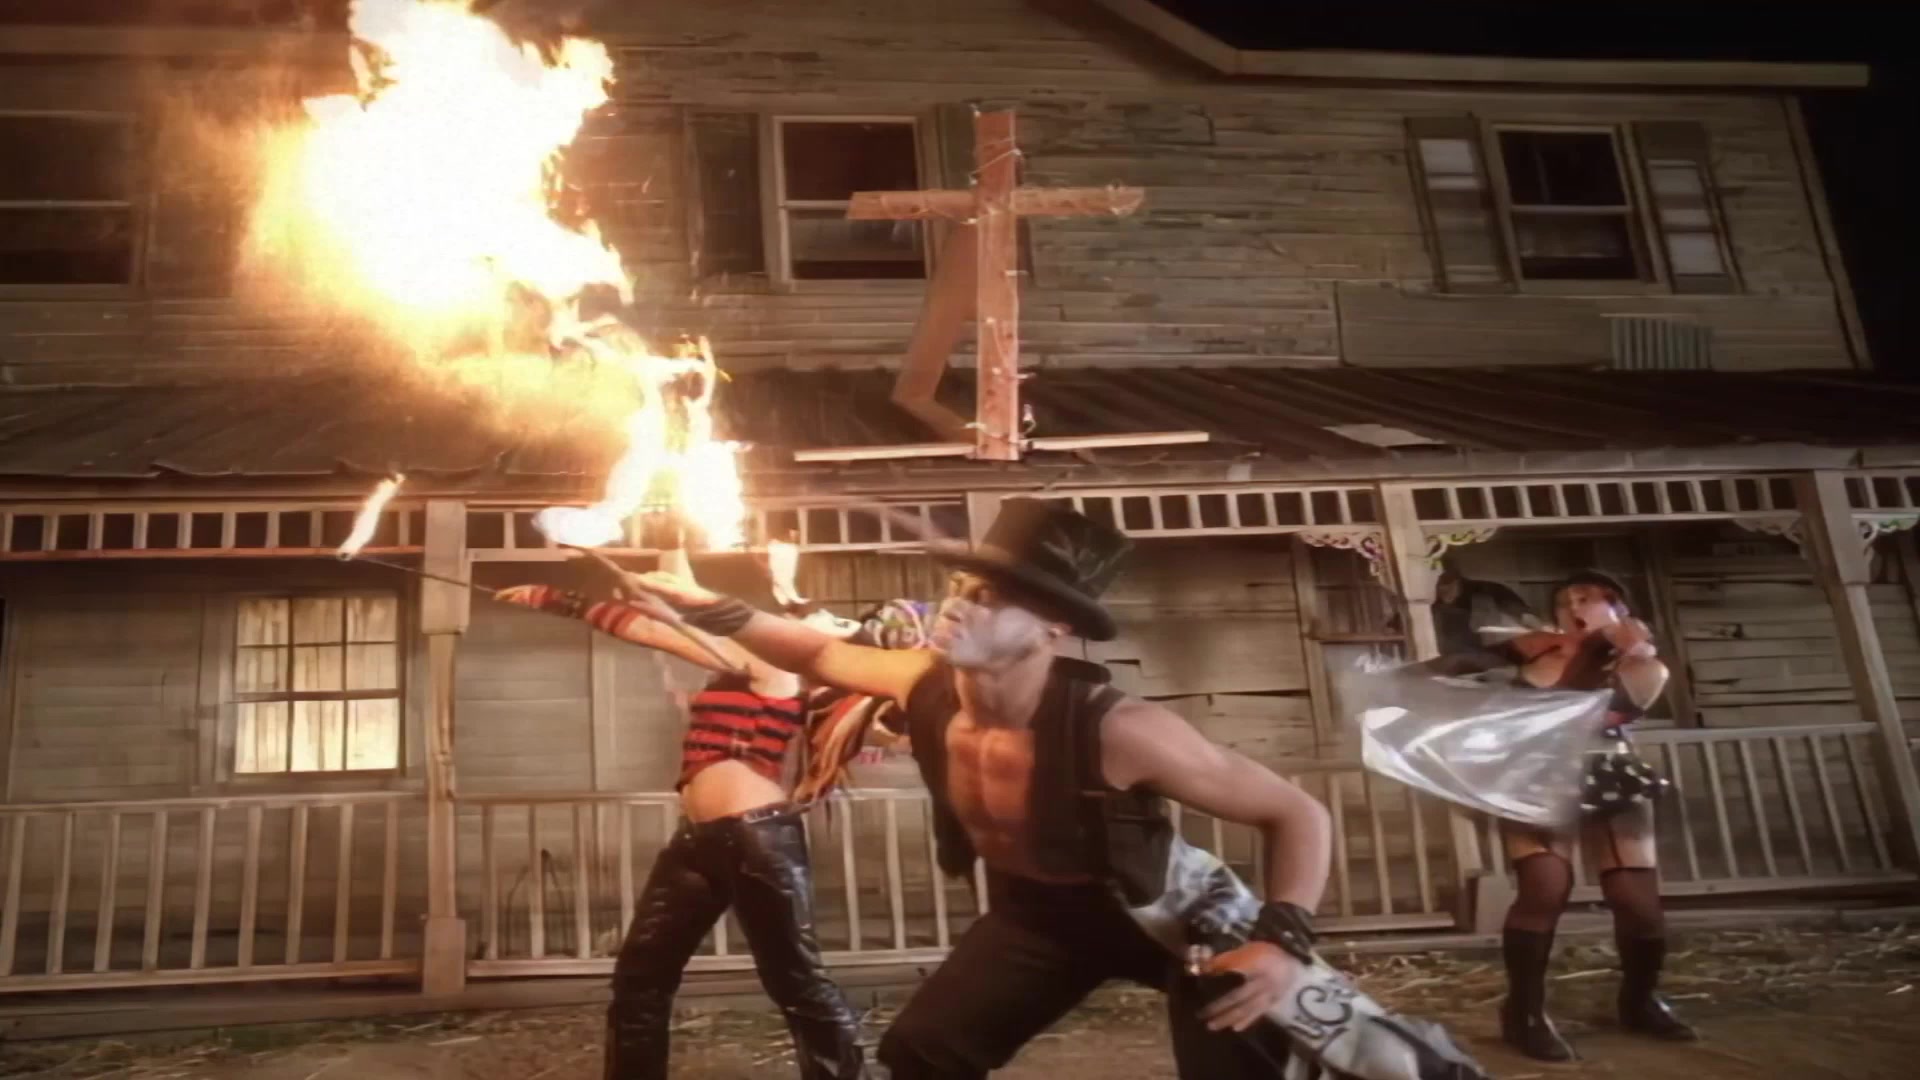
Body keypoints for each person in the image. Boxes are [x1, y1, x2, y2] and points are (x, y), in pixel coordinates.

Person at [625, 499, 1339, 1079]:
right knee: (923, 1052)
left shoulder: (1121, 730)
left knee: (1246, 1053)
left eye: (990, 599)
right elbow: (817, 651)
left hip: (1167, 915)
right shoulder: (921, 682)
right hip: (1039, 916)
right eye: (960, 589)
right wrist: (708, 605)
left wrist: (1281, 942)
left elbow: (1296, 811)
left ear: (1052, 629)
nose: (959, 606)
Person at [494, 548, 865, 1080]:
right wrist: (669, 567)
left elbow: (655, 631)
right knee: (640, 977)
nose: (816, 612)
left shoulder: (775, 664)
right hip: (699, 840)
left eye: (835, 620)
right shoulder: (740, 659)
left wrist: (559, 600)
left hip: (757, 839)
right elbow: (678, 612)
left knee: (796, 980)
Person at [1462, 570, 1696, 1062]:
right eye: (1566, 601)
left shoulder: (1644, 667)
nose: (1575, 606)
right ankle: (1523, 1012)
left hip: (1610, 773)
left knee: (1637, 903)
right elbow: (1462, 664)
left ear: (1619, 609)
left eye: (1589, 598)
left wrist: (1611, 646)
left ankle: (1640, 1001)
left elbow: (1580, 706)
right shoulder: (1535, 652)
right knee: (1545, 888)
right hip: (1537, 776)